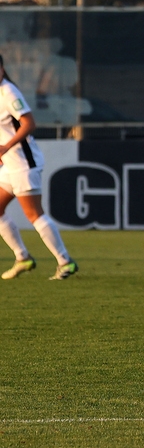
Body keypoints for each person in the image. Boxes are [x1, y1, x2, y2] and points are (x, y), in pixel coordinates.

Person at [0, 54, 78, 280]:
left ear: (3, 70)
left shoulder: (9, 93)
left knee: (34, 214)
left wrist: (6, 146)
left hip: (24, 162)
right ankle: (23, 258)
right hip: (10, 165)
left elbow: (29, 123)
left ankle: (65, 262)